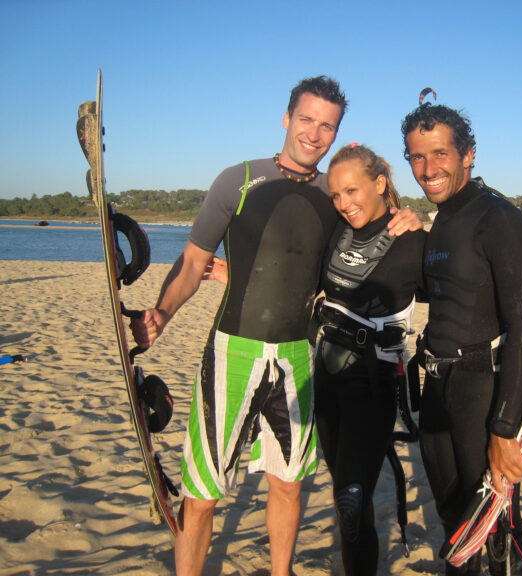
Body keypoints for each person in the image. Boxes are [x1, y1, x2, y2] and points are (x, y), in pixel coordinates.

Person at [129, 76, 418, 576]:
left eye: (327, 126)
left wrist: (406, 217)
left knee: (287, 484)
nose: (314, 133)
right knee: (202, 492)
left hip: (299, 357)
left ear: (336, 133)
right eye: (306, 119)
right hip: (232, 351)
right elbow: (195, 260)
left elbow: (358, 237)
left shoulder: (333, 194)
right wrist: (162, 312)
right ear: (287, 118)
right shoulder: (237, 180)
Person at [401, 102, 522, 575]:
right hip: (436, 389)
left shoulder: (502, 221)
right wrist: (407, 236)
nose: (428, 169)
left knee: (498, 527)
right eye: (417, 157)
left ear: (468, 155)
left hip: (482, 394)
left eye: (440, 154)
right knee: (454, 525)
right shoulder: (442, 219)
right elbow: (439, 290)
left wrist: (504, 428)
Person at [312, 143, 426, 575]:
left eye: (352, 191)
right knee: (346, 501)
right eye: (336, 194)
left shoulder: (413, 240)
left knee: (351, 500)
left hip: (373, 382)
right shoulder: (336, 230)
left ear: (380, 183)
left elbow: (460, 294)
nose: (344, 203)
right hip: (327, 376)